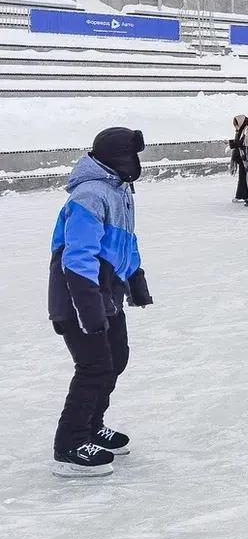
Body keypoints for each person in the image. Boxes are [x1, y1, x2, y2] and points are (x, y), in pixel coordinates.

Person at [48, 127, 153, 477]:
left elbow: (126, 241)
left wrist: (135, 279)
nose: (136, 163)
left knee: (116, 360)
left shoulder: (120, 191)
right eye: (131, 155)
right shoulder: (90, 195)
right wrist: (88, 308)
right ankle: (69, 443)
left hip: (107, 295)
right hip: (78, 296)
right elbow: (77, 258)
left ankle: (92, 425)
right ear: (116, 157)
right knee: (94, 367)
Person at [228, 114, 248, 203]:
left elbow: (244, 142)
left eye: (237, 123)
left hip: (244, 156)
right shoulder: (240, 130)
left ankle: (243, 195)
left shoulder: (247, 129)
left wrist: (234, 144)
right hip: (240, 156)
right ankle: (241, 195)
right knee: (242, 176)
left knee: (243, 176)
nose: (236, 126)